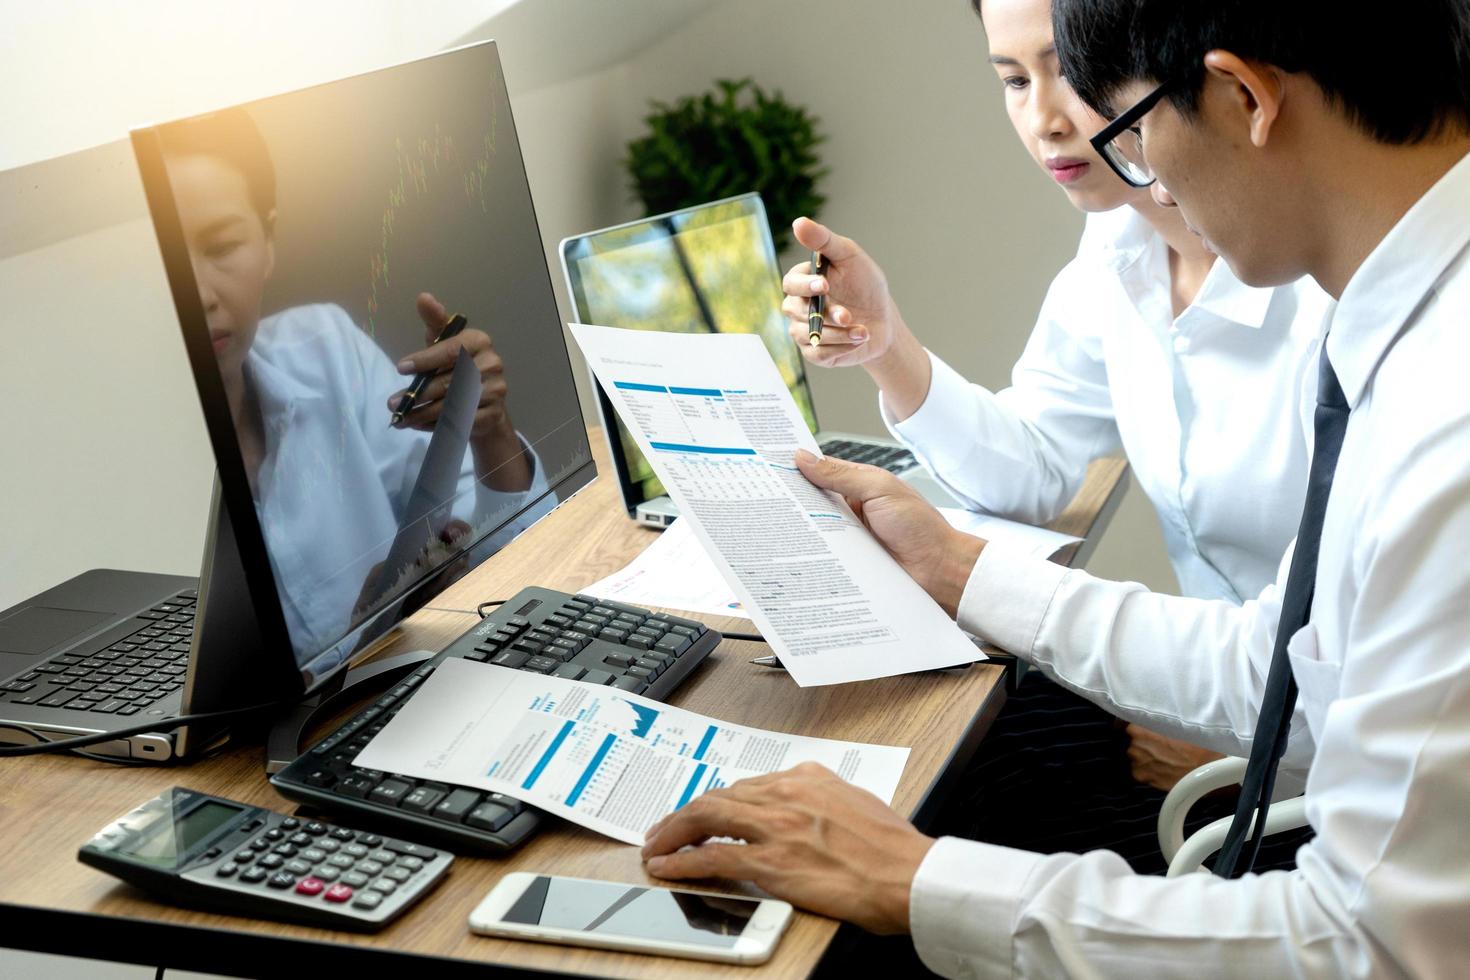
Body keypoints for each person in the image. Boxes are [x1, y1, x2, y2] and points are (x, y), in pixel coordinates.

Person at [642, 0, 1470, 973]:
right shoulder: (1413, 320)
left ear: (1244, 94)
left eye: (1131, 131)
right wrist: (957, 565)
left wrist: (914, 880)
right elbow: (1287, 656)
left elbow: (1370, 943)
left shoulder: (1442, 411)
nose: (1140, 176)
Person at [781, 0, 1329, 871]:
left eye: (1069, 68)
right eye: (1011, 80)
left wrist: (1264, 758)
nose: (1044, 116)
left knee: (945, 807)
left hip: (1293, 761)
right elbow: (1035, 470)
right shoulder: (1116, 247)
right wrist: (891, 349)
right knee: (942, 762)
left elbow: (1361, 661)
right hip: (1214, 701)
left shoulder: (1327, 287)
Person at [159, 108, 546, 676]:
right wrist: (368, 628)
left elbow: (507, 554)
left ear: (267, 241)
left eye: (221, 245)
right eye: (168, 264)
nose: (197, 294)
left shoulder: (326, 349)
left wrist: (491, 434)